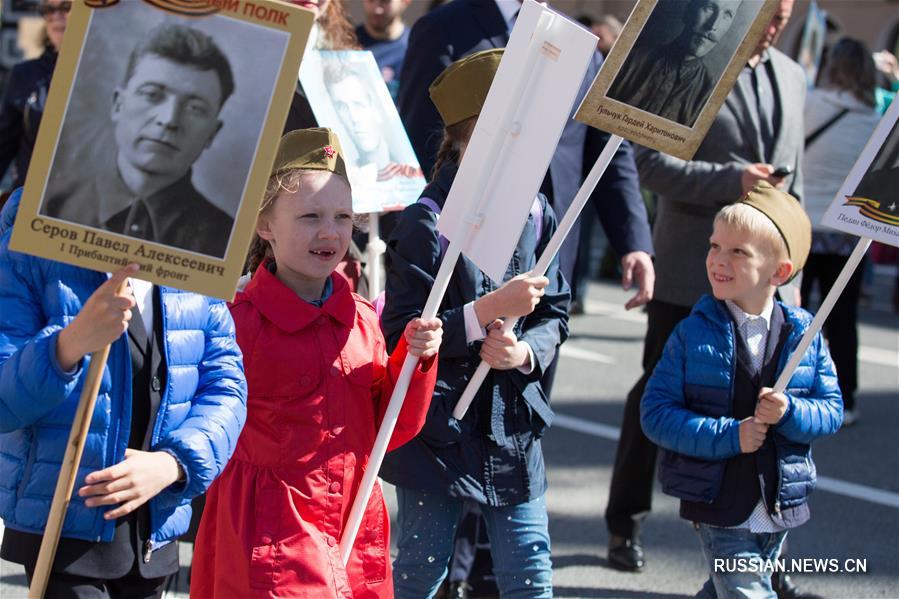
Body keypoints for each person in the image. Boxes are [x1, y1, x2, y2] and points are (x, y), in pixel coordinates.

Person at [604, 0, 809, 589]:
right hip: (694, 269)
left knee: (770, 409)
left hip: (768, 285)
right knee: (657, 396)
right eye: (770, 12)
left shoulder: (793, 76)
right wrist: (733, 181)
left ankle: (765, 555)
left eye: (786, 15)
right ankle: (626, 522)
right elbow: (648, 163)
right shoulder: (696, 65)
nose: (777, 24)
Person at [190, 128, 443, 598]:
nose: (330, 232)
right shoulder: (238, 324)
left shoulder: (362, 319)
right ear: (265, 224)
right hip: (271, 531)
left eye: (343, 216)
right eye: (310, 216)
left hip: (354, 524)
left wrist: (416, 359)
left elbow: (391, 428)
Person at [381, 49, 569, 599]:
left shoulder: (536, 211)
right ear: (467, 136)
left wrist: (524, 352)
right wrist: (483, 313)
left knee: (529, 572)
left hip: (510, 424)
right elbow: (400, 332)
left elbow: (555, 311)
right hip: (438, 426)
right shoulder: (426, 221)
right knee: (421, 569)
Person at [0, 186, 247, 595]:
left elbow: (225, 385)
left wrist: (174, 464)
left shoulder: (196, 230)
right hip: (62, 534)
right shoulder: (32, 228)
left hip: (153, 536)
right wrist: (68, 345)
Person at [641, 183, 843, 598]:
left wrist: (789, 411)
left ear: (779, 272)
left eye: (739, 252)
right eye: (715, 246)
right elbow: (656, 414)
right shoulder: (692, 333)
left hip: (778, 505)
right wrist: (731, 435)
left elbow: (832, 411)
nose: (719, 259)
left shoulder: (804, 335)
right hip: (720, 504)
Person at [43, 23, 235, 258]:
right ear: (117, 105)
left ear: (212, 133)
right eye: (152, 95)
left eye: (195, 108)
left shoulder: (230, 242)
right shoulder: (45, 206)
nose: (169, 120)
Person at [801, 38, 882, 427]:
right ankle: (846, 398)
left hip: (801, 226)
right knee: (843, 319)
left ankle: (784, 387)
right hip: (847, 231)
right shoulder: (874, 121)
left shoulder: (809, 104)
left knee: (793, 311)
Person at [606, 0, 739, 127]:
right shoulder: (631, 58)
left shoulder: (710, 94)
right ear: (689, 10)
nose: (712, 26)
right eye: (709, 8)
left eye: (727, 14)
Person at [0, 0, 70, 195]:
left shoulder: (107, 73)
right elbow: (4, 145)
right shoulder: (25, 74)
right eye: (48, 9)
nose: (56, 15)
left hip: (83, 207)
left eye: (67, 7)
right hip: (29, 203)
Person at [323, 61, 423, 182]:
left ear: (374, 107)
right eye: (342, 107)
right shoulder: (342, 174)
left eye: (358, 104)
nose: (354, 118)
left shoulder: (410, 171)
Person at [355, 0, 413, 100]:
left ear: (405, 2)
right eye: (371, 0)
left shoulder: (414, 48)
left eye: (385, 1)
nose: (377, 9)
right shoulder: (346, 43)